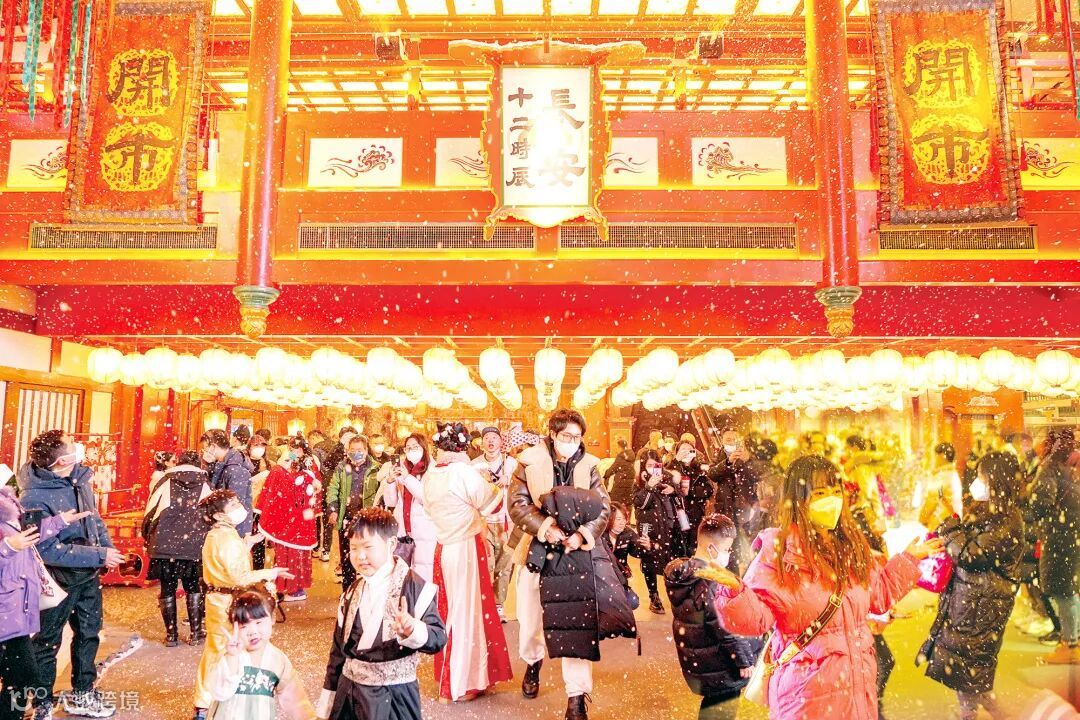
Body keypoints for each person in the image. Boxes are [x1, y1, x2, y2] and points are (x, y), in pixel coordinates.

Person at [699, 455, 943, 720]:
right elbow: (756, 620)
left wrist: (908, 560)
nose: (832, 500)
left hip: (857, 691)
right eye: (820, 493)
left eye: (836, 491)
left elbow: (878, 596)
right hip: (806, 698)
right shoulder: (780, 553)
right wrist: (734, 590)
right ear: (799, 500)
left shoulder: (851, 547)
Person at [509, 408, 610, 720]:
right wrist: (546, 527)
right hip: (536, 550)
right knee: (530, 619)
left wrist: (581, 535)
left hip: (575, 554)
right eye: (566, 436)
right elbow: (517, 504)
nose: (572, 442)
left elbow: (603, 509)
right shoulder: (528, 462)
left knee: (576, 624)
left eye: (577, 437)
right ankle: (533, 661)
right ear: (552, 434)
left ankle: (576, 696)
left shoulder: (590, 466)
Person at [23, 430, 124, 720]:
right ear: (61, 460)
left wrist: (107, 549)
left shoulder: (80, 479)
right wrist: (98, 555)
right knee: (47, 641)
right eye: (72, 446)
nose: (78, 448)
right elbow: (46, 548)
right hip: (58, 578)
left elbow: (95, 520)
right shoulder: (33, 496)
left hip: (88, 574)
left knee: (89, 633)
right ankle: (42, 701)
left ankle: (83, 692)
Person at [920, 451, 1024, 720]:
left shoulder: (1007, 521)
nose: (975, 482)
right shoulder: (991, 512)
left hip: (982, 608)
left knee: (970, 674)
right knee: (971, 676)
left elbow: (970, 555)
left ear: (995, 481)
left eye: (980, 476)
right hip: (972, 603)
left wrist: (949, 524)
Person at [316, 508, 447, 720]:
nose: (360, 556)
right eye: (353, 548)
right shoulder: (352, 592)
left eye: (368, 547)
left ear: (391, 544)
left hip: (394, 699)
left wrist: (413, 629)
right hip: (348, 698)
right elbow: (338, 651)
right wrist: (327, 703)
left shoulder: (414, 588)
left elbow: (438, 637)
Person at [422, 422, 513, 702]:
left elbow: (430, 509)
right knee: (467, 613)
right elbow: (493, 503)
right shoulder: (463, 472)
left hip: (444, 546)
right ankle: (462, 682)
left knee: (450, 609)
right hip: (465, 547)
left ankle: (458, 678)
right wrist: (493, 484)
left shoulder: (432, 474)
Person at [193, 490, 293, 720]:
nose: (239, 507)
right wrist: (269, 573)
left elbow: (229, 564)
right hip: (224, 601)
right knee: (220, 651)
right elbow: (238, 576)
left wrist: (246, 543)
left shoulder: (221, 534)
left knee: (220, 649)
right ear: (219, 515)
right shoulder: (226, 538)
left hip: (220, 599)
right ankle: (204, 704)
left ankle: (210, 699)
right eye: (233, 505)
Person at [0, 488, 89, 720]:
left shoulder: (7, 502)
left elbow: (25, 535)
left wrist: (60, 521)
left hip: (12, 610)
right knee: (22, 676)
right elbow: (12, 543)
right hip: (5, 610)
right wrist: (8, 548)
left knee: (21, 678)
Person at [664, 514, 760, 720]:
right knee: (721, 709)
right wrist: (744, 660)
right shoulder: (711, 583)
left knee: (713, 706)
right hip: (721, 663)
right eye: (726, 549)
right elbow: (726, 627)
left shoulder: (684, 575)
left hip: (702, 658)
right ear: (711, 548)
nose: (728, 554)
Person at [206, 589, 316, 720]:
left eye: (258, 622)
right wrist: (232, 657)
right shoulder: (229, 655)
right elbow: (220, 693)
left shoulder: (278, 660)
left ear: (272, 618)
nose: (252, 631)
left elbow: (295, 701)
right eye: (243, 626)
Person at [143, 450, 211, 647]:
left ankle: (172, 635)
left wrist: (148, 537)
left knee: (168, 587)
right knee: (193, 586)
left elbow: (150, 511)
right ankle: (196, 633)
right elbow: (211, 514)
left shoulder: (165, 481)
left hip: (166, 544)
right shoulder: (205, 484)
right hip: (194, 544)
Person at [1030, 428, 1080, 663]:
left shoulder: (1051, 468)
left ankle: (1070, 645)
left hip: (1060, 537)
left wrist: (1029, 499)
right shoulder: (1072, 467)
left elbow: (1041, 503)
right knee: (1069, 590)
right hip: (1072, 534)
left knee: (1062, 591)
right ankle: (1072, 642)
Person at [257, 437, 321, 603]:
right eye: (292, 449)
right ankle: (286, 586)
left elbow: (305, 487)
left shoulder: (308, 465)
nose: (294, 452)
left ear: (303, 450)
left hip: (297, 518)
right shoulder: (288, 463)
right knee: (286, 553)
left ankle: (293, 588)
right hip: (291, 517)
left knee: (294, 554)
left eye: (297, 449)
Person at [470, 426, 518, 618]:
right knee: (485, 564)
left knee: (504, 566)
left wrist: (510, 480)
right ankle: (485, 602)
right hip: (483, 521)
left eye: (494, 438)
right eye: (487, 438)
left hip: (506, 521)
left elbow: (522, 488)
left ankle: (499, 604)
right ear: (481, 442)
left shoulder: (511, 463)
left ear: (500, 441)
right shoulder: (474, 465)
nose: (490, 441)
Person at [381, 434, 437, 583]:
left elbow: (426, 498)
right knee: (403, 573)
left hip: (425, 529)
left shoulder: (433, 470)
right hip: (404, 530)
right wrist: (390, 481)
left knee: (424, 572)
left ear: (424, 448)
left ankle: (424, 598)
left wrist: (407, 478)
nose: (411, 451)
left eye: (415, 447)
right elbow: (391, 501)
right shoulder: (402, 468)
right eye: (408, 448)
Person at [327, 434, 380, 589]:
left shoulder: (375, 468)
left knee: (369, 557)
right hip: (347, 519)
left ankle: (368, 590)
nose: (356, 453)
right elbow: (333, 489)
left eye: (359, 450)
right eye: (353, 450)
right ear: (348, 451)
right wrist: (333, 509)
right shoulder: (342, 468)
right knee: (348, 558)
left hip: (368, 520)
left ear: (366, 450)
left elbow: (382, 492)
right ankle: (348, 591)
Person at [635, 448, 683, 614]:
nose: (652, 469)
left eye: (655, 465)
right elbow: (640, 503)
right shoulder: (639, 481)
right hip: (649, 527)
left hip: (668, 526)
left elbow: (680, 497)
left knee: (671, 560)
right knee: (649, 560)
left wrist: (673, 490)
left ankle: (675, 596)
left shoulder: (667, 477)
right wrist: (649, 486)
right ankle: (654, 596)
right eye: (648, 465)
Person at [709, 427, 757, 570]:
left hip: (745, 510)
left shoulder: (747, 455)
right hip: (725, 509)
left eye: (735, 440)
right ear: (722, 441)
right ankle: (731, 578)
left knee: (747, 548)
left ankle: (747, 577)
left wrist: (748, 461)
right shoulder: (719, 456)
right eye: (728, 439)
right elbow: (712, 474)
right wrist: (728, 462)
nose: (731, 442)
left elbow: (756, 476)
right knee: (728, 549)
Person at [203, 430, 255, 537]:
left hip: (234, 527)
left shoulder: (234, 469)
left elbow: (235, 506)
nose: (204, 452)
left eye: (205, 448)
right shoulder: (223, 464)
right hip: (226, 523)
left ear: (213, 446)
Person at [600, 502, 649, 610]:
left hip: (620, 578)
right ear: (609, 519)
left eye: (624, 519)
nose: (622, 522)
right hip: (600, 578)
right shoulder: (600, 534)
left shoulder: (628, 533)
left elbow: (637, 552)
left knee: (633, 602)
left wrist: (647, 547)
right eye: (618, 519)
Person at [668, 440, 713, 553]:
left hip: (695, 511)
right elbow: (667, 480)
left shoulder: (700, 469)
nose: (686, 452)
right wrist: (676, 461)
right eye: (683, 449)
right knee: (680, 542)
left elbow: (709, 489)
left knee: (693, 543)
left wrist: (693, 491)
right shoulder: (673, 467)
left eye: (690, 450)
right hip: (680, 511)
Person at [918, 442, 964, 530]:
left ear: (942, 456)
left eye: (935, 456)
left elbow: (932, 499)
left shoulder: (942, 476)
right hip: (952, 519)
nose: (934, 459)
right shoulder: (953, 474)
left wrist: (923, 518)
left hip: (940, 520)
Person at [602, 438, 636, 507]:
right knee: (627, 504)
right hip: (629, 486)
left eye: (616, 447)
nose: (616, 449)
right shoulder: (631, 455)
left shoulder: (621, 456)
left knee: (615, 505)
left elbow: (612, 469)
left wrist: (605, 474)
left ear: (620, 447)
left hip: (620, 485)